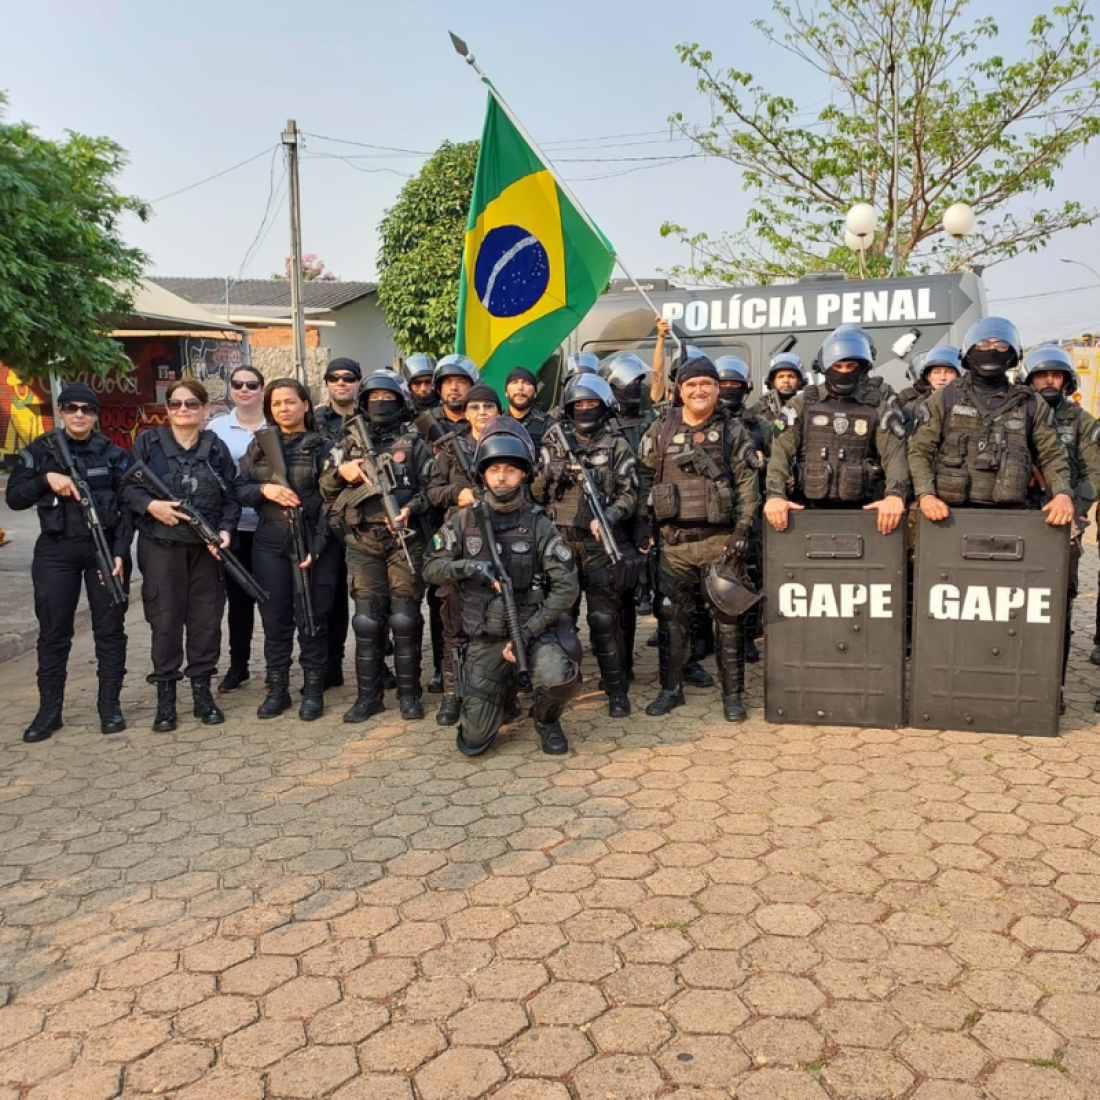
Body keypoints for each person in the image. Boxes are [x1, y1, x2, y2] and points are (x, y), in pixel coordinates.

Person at [423, 419, 582, 756]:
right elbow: (430, 568)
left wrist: (527, 632)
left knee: (558, 676)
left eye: (510, 470)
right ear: (483, 473)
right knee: (474, 741)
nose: (501, 477)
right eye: (494, 469)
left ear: (523, 474)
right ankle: (502, 697)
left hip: (532, 633)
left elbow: (566, 588)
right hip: (486, 636)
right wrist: (467, 567)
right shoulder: (464, 520)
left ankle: (546, 719)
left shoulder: (539, 523)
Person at [637, 357, 762, 721]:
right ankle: (670, 689)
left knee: (728, 620)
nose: (699, 390)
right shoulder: (660, 430)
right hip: (673, 545)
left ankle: (733, 695)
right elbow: (644, 478)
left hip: (719, 543)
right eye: (691, 385)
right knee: (671, 617)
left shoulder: (732, 431)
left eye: (706, 383)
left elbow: (747, 488)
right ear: (680, 391)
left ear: (718, 388)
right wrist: (644, 524)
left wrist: (742, 530)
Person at [7, 383, 133, 742]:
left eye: (87, 409)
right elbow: (15, 498)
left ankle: (109, 706)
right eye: (71, 407)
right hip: (56, 552)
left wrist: (122, 551)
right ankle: (50, 712)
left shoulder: (113, 454)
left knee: (109, 631)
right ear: (60, 411)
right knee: (53, 633)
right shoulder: (38, 452)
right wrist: (47, 479)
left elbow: (128, 508)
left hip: (103, 550)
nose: (79, 414)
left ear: (96, 415)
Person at [123, 379, 241, 732]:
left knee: (206, 623)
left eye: (191, 404)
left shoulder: (215, 447)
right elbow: (127, 486)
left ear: (205, 409)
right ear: (168, 409)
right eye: (176, 404)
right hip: (161, 548)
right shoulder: (148, 443)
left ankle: (203, 694)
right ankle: (166, 699)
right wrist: (150, 505)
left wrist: (224, 531)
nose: (183, 410)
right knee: (165, 622)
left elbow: (232, 497)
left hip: (205, 551)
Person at [321, 371, 434, 723]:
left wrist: (410, 509)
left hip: (405, 540)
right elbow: (325, 486)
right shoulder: (346, 442)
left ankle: (409, 695)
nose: (380, 403)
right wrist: (343, 473)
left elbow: (432, 487)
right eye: (374, 398)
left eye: (388, 397)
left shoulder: (415, 440)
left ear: (400, 401)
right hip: (362, 540)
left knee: (404, 618)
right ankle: (368, 697)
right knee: (367, 621)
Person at [532, 375, 639, 716]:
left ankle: (616, 690)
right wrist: (552, 472)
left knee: (603, 618)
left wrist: (607, 515)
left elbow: (629, 493)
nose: (585, 411)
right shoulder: (553, 440)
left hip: (596, 542)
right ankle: (560, 687)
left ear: (604, 406)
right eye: (578, 406)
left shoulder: (616, 444)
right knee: (561, 618)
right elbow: (533, 493)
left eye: (591, 404)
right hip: (559, 540)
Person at [907, 317, 1074, 527]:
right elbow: (919, 451)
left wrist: (1061, 494)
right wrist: (926, 495)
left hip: (1010, 515)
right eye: (983, 344)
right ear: (969, 351)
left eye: (1001, 345)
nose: (992, 350)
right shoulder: (945, 397)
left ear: (1013, 353)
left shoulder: (1030, 402)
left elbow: (1052, 454)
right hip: (948, 515)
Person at [238, 379, 337, 721]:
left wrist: (319, 545)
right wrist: (265, 490)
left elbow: (333, 500)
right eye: (276, 404)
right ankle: (278, 688)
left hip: (311, 538)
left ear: (305, 405)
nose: (283, 409)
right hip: (269, 541)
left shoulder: (324, 445)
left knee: (311, 616)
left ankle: (312, 690)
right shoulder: (260, 444)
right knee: (274, 619)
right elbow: (239, 488)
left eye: (290, 402)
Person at [765, 328, 910, 536]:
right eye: (837, 365)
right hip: (807, 511)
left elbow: (895, 456)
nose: (844, 371)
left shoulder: (878, 408)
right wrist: (775, 495)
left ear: (862, 367)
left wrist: (895, 495)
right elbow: (780, 452)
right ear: (825, 366)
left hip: (864, 513)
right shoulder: (801, 403)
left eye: (850, 366)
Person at [1018, 345, 1100, 703]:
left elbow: (1093, 476)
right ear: (1029, 379)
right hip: (1016, 520)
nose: (1049, 380)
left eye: (1056, 375)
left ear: (1067, 381)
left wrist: (1075, 516)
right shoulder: (1014, 413)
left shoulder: (1082, 422)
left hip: (1062, 528)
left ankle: (1054, 688)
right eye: (1041, 374)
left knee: (1057, 609)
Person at [427, 381, 503, 725]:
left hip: (502, 539)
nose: (481, 413)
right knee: (454, 624)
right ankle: (452, 694)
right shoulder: (451, 447)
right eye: (474, 407)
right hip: (460, 541)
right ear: (465, 412)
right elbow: (432, 491)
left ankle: (501, 690)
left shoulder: (509, 444)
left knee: (500, 620)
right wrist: (457, 493)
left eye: (488, 407)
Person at [208, 365, 267, 693]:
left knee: (273, 601)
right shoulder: (217, 428)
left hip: (271, 527)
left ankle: (277, 666)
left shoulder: (274, 424)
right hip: (233, 528)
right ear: (230, 389)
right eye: (238, 384)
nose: (245, 389)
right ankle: (239, 666)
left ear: (262, 389)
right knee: (239, 603)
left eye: (252, 384)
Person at [313, 357, 362, 688]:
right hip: (325, 518)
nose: (341, 382)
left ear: (358, 382)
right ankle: (330, 663)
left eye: (348, 377)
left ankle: (375, 665)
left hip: (363, 519)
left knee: (367, 596)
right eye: (334, 378)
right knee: (327, 595)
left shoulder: (372, 417)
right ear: (327, 382)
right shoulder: (314, 421)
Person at [898, 346, 963, 419]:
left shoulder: (969, 402)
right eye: (936, 372)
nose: (942, 377)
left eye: (949, 372)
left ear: (957, 376)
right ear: (928, 376)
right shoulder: (913, 409)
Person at [503, 366, 557, 450]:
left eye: (527, 383)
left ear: (535, 393)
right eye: (514, 382)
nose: (520, 387)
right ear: (506, 392)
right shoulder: (497, 425)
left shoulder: (549, 425)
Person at [753, 352, 810, 423]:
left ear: (800, 381)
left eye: (791, 376)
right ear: (772, 382)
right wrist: (784, 419)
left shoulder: (807, 406)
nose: (786, 380)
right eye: (781, 377)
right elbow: (777, 429)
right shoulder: (759, 408)